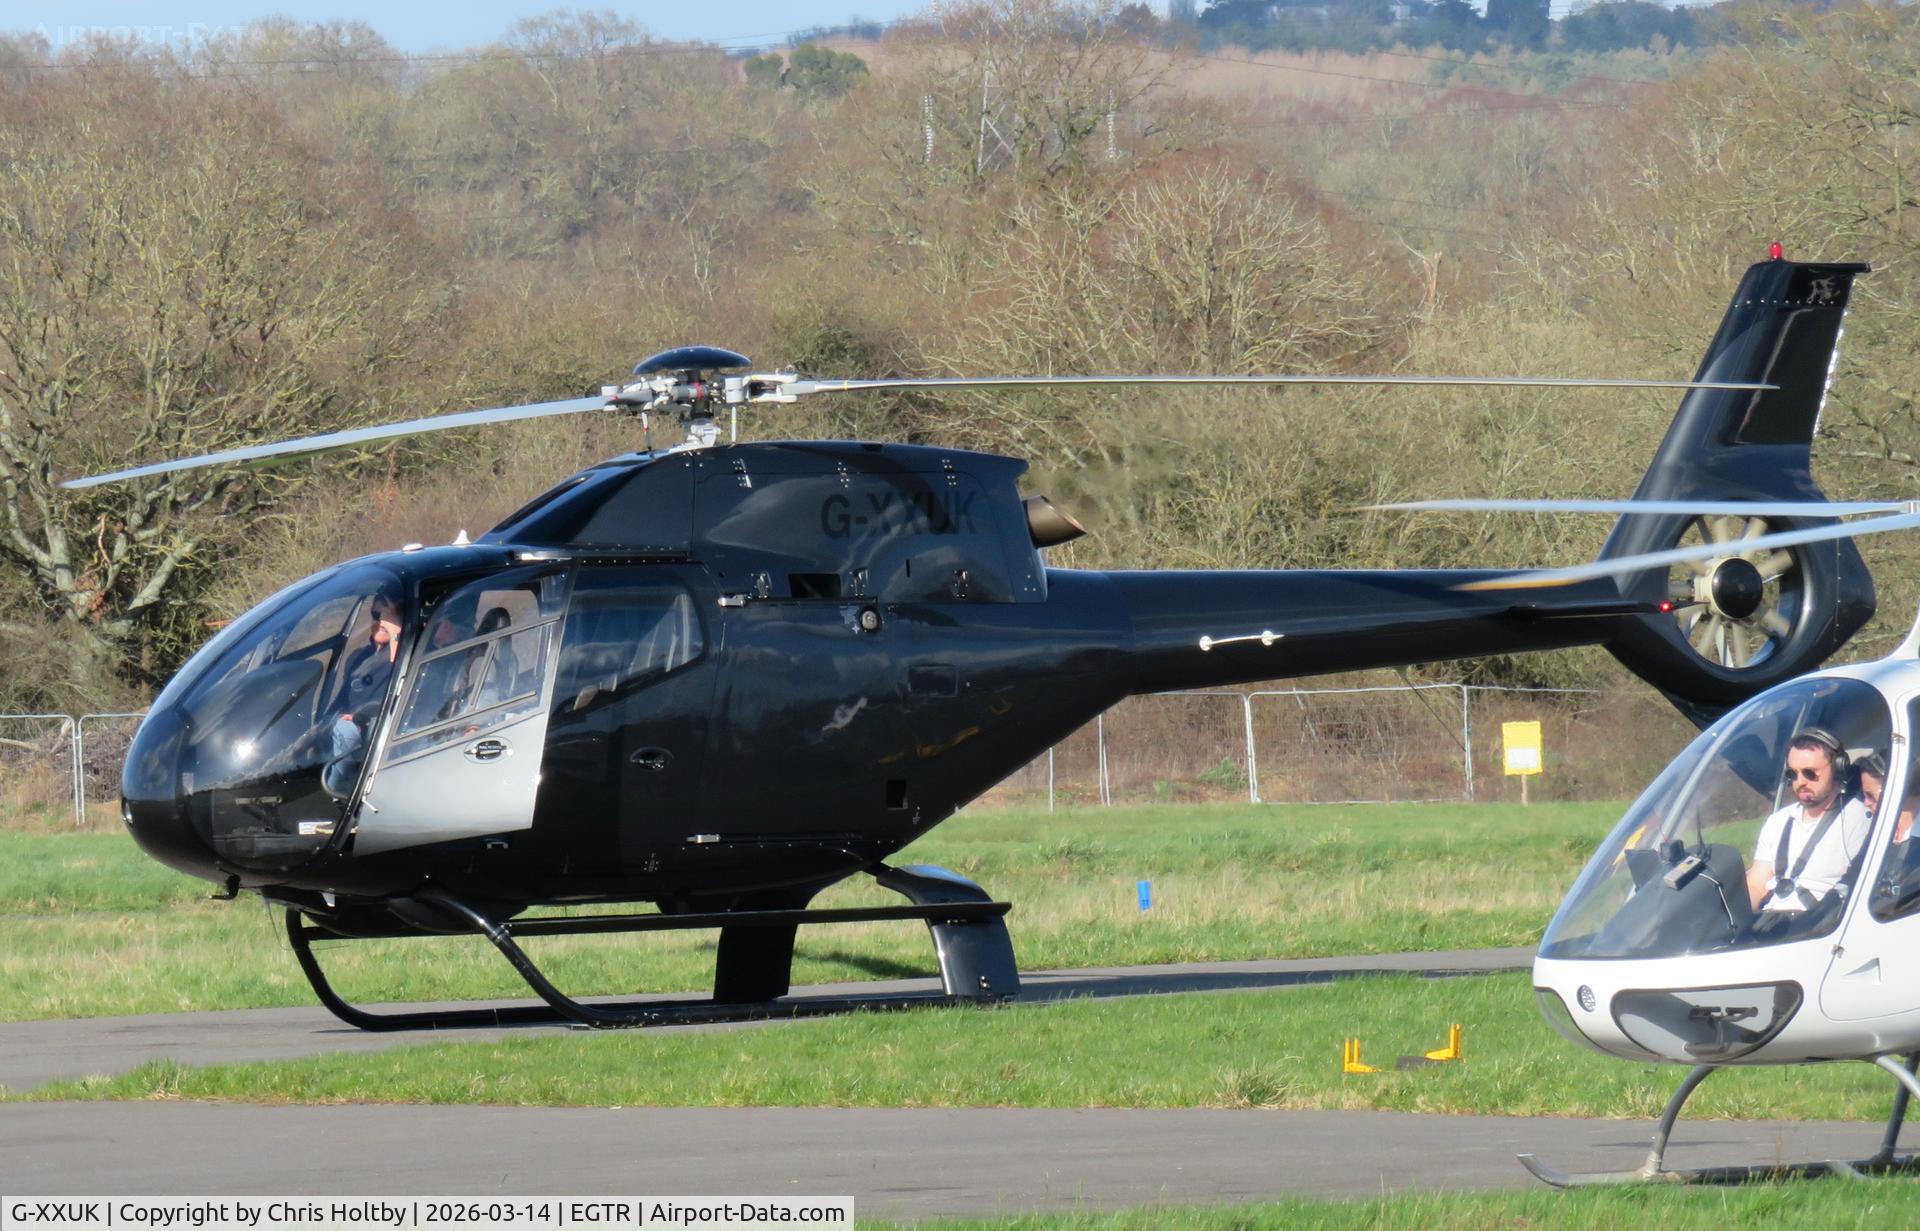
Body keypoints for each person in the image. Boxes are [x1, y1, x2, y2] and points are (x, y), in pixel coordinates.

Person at [1746, 727, 1874, 914]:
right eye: (1792, 774)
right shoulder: (1777, 821)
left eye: (1810, 773)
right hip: (1771, 921)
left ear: (1837, 769)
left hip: (1820, 926)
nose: (1800, 782)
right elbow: (1756, 885)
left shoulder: (1859, 819)